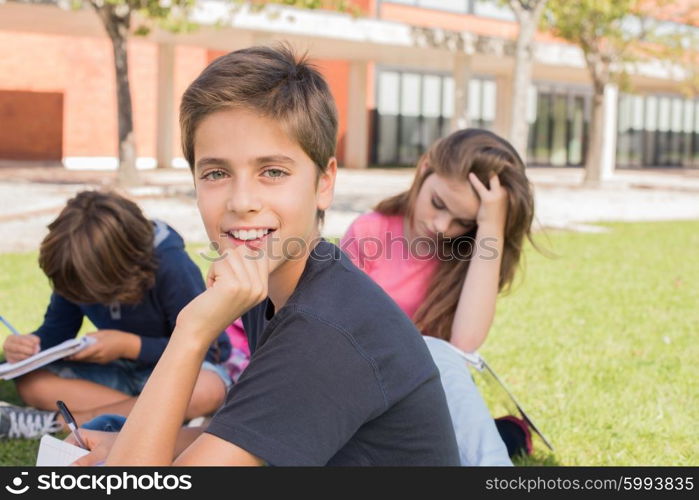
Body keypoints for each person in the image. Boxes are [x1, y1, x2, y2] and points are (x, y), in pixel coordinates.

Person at [68, 45, 460, 466]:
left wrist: (193, 330)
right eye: (216, 173)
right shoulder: (278, 281)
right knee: (115, 429)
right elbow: (246, 430)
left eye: (272, 171)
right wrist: (120, 445)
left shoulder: (325, 333)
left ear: (324, 182)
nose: (242, 201)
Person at [340, 128, 536, 464]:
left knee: (436, 352)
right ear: (424, 167)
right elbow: (337, 327)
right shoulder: (370, 231)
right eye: (438, 204)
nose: (443, 226)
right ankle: (501, 437)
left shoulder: (466, 254)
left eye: (463, 221)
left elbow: (464, 342)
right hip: (362, 389)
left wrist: (490, 227)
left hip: (427, 398)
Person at [0, 191, 231, 440]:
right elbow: (57, 332)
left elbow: (208, 349)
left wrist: (128, 346)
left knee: (207, 390)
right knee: (32, 382)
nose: (84, 295)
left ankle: (61, 423)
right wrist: (26, 348)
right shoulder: (77, 265)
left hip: (178, 372)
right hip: (118, 374)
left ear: (122, 268)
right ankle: (168, 418)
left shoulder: (170, 265)